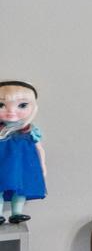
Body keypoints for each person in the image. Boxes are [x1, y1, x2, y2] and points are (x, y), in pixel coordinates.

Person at [0, 81, 46, 224]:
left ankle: (17, 212)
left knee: (21, 189)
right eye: (1, 105)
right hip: (2, 164)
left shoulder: (30, 131)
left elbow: (39, 148)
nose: (11, 111)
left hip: (22, 166)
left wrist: (42, 166)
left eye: (22, 105)